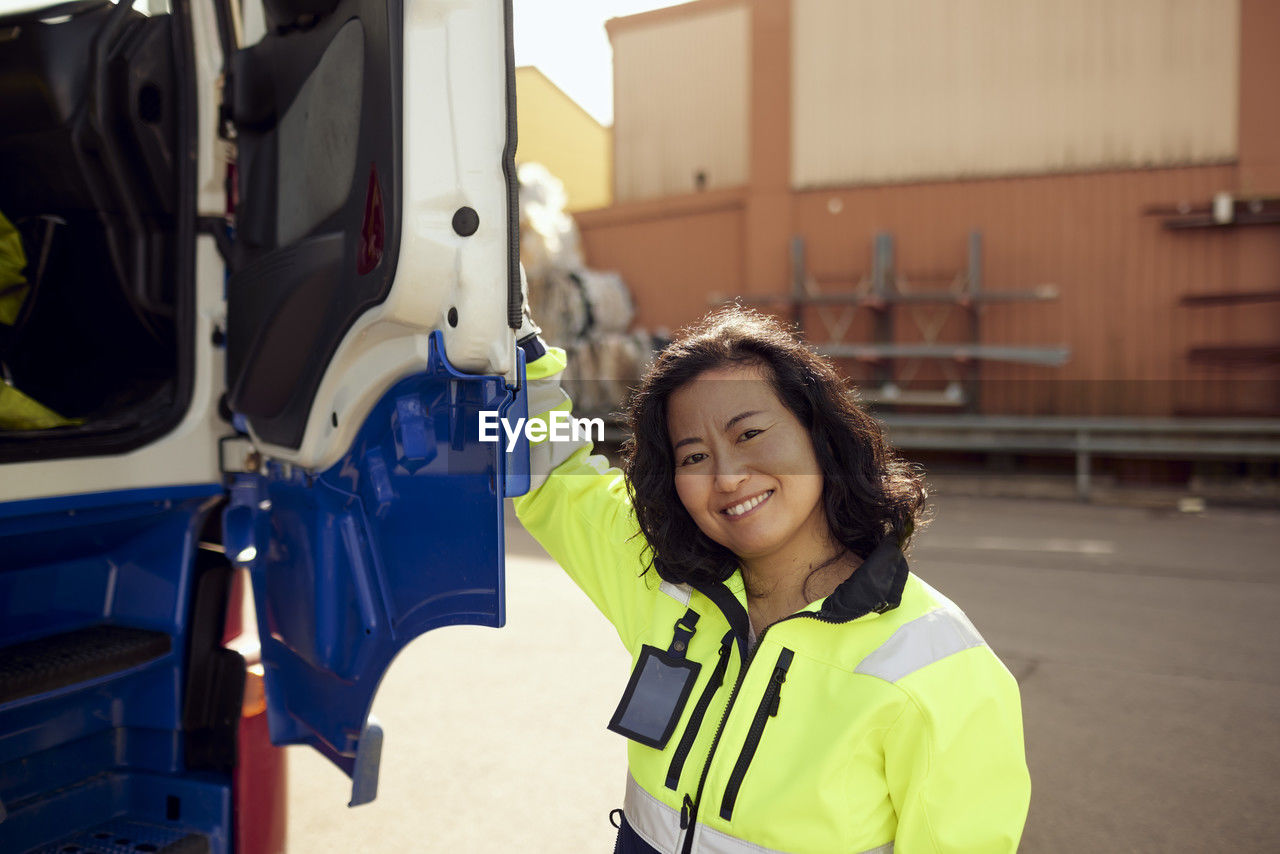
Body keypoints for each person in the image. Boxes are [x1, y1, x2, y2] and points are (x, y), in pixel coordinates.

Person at [513, 305, 1030, 854]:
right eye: (694, 455)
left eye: (751, 432)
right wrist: (517, 345)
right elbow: (552, 476)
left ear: (820, 436)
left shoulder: (937, 666)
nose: (728, 477)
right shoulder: (664, 582)